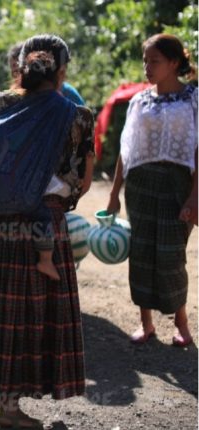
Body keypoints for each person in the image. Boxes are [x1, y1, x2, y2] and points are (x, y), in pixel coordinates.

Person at [0, 34, 93, 429]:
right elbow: (83, 180)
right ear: (62, 72)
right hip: (40, 223)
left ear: (21, 69)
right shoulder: (77, 116)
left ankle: (0, 399)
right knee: (30, 315)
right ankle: (9, 408)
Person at [106, 33, 197, 347]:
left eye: (154, 61)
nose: (147, 67)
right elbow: (126, 150)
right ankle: (146, 324)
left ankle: (182, 324)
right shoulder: (139, 101)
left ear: (173, 63)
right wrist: (114, 193)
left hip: (177, 185)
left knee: (172, 257)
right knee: (142, 252)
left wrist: (195, 195)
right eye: (145, 60)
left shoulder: (193, 99)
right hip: (141, 185)